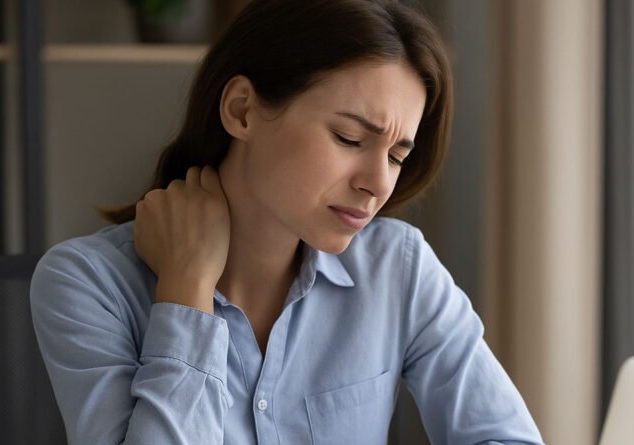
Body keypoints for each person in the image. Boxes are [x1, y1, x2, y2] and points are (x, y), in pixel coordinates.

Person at [30, 0, 544, 443]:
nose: (378, 184)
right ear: (242, 110)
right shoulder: (87, 283)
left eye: (396, 155)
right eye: (349, 139)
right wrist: (186, 289)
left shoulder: (399, 268)